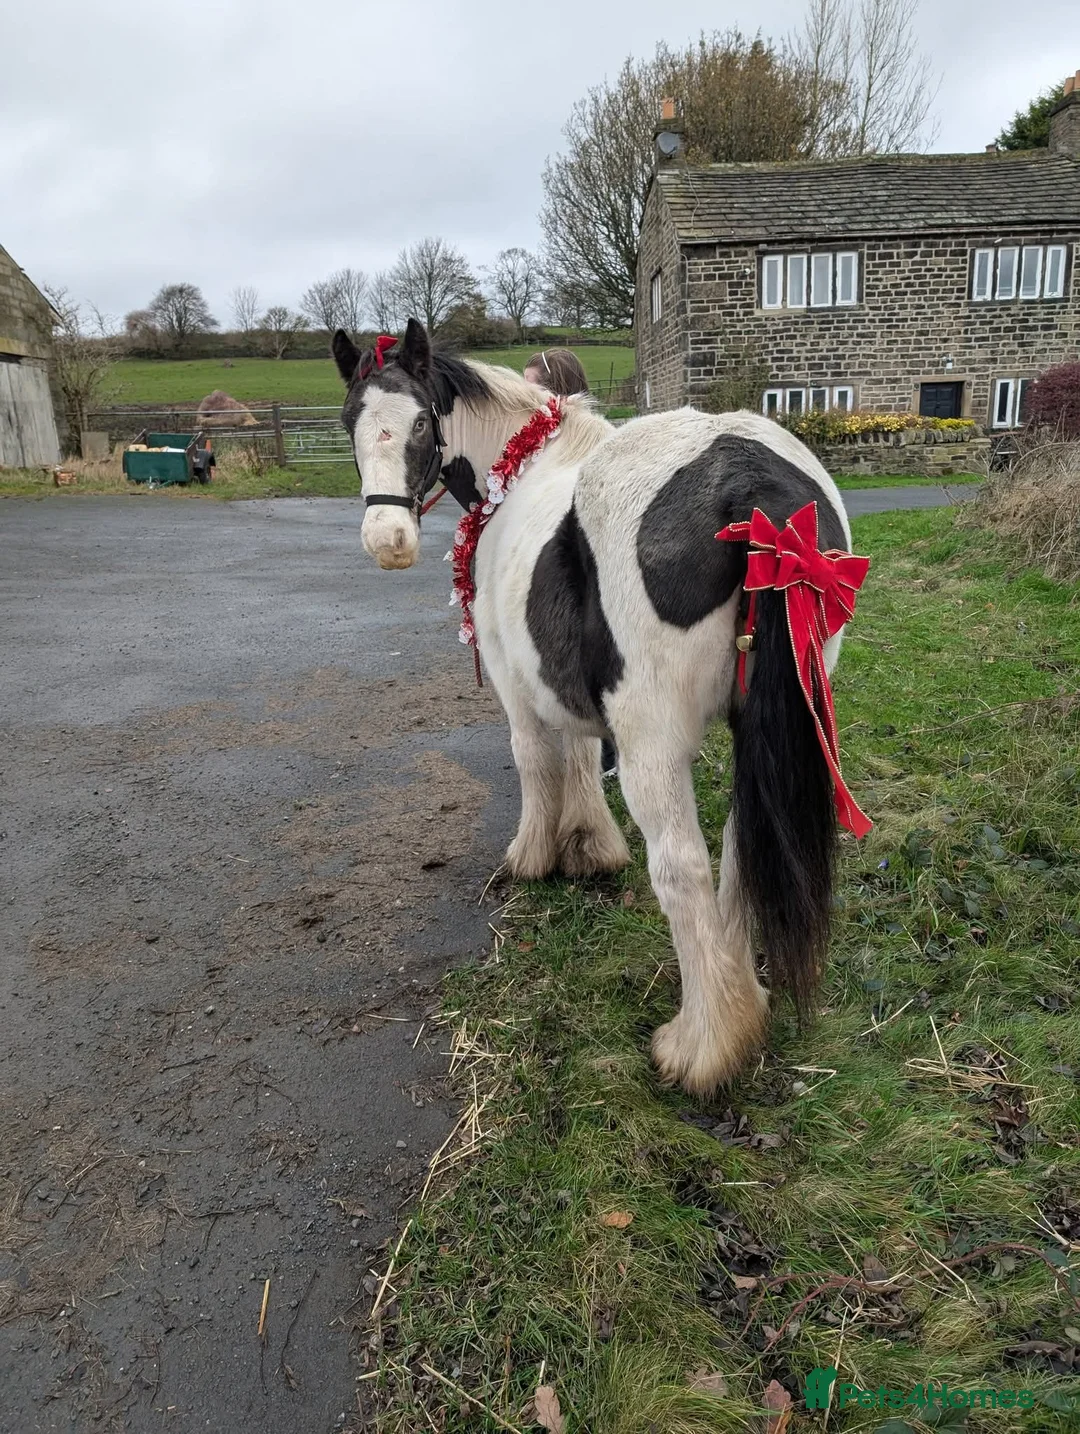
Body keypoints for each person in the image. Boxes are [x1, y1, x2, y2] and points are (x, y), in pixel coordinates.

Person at [523, 349, 618, 780]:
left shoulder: (587, 441)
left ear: (558, 389)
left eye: (532, 386)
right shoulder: (530, 444)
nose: (523, 394)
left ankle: (608, 751)